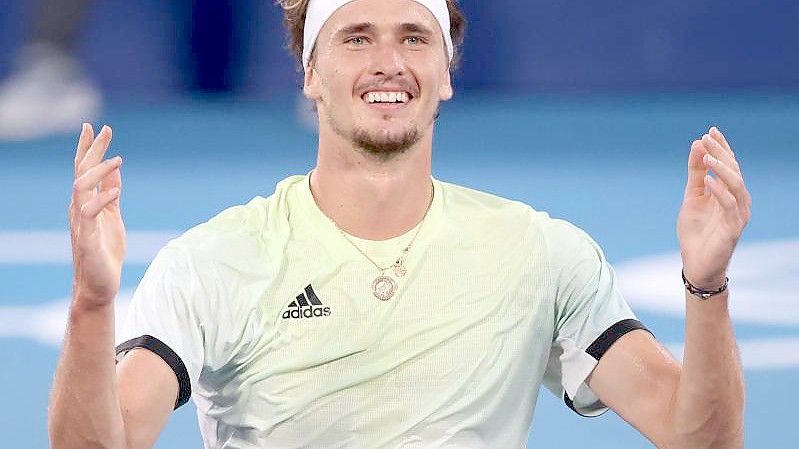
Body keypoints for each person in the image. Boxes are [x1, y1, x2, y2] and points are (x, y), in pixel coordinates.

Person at [48, 0, 751, 448]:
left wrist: (706, 285)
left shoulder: (541, 253)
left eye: (414, 38)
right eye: (356, 37)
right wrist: (92, 302)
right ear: (310, 74)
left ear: (445, 72)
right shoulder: (214, 260)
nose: (388, 63)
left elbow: (699, 438)